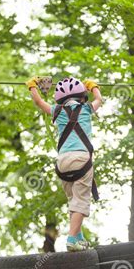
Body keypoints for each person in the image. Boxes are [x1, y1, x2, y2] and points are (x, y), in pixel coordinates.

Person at [26, 76, 103, 252]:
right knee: (81, 200)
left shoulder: (56, 110)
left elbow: (38, 102)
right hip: (81, 160)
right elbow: (99, 99)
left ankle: (78, 236)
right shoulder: (86, 108)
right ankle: (71, 239)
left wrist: (32, 86)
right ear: (82, 96)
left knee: (73, 200)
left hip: (62, 163)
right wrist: (93, 86)